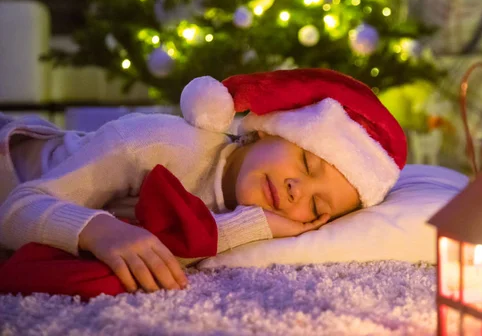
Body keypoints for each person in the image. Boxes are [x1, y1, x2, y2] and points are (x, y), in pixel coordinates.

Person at [0, 68, 407, 294]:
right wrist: (99, 229)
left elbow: (164, 253)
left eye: (316, 207)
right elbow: (17, 211)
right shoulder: (155, 144)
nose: (297, 189)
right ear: (268, 129)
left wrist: (253, 227)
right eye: (305, 161)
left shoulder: (259, 220)